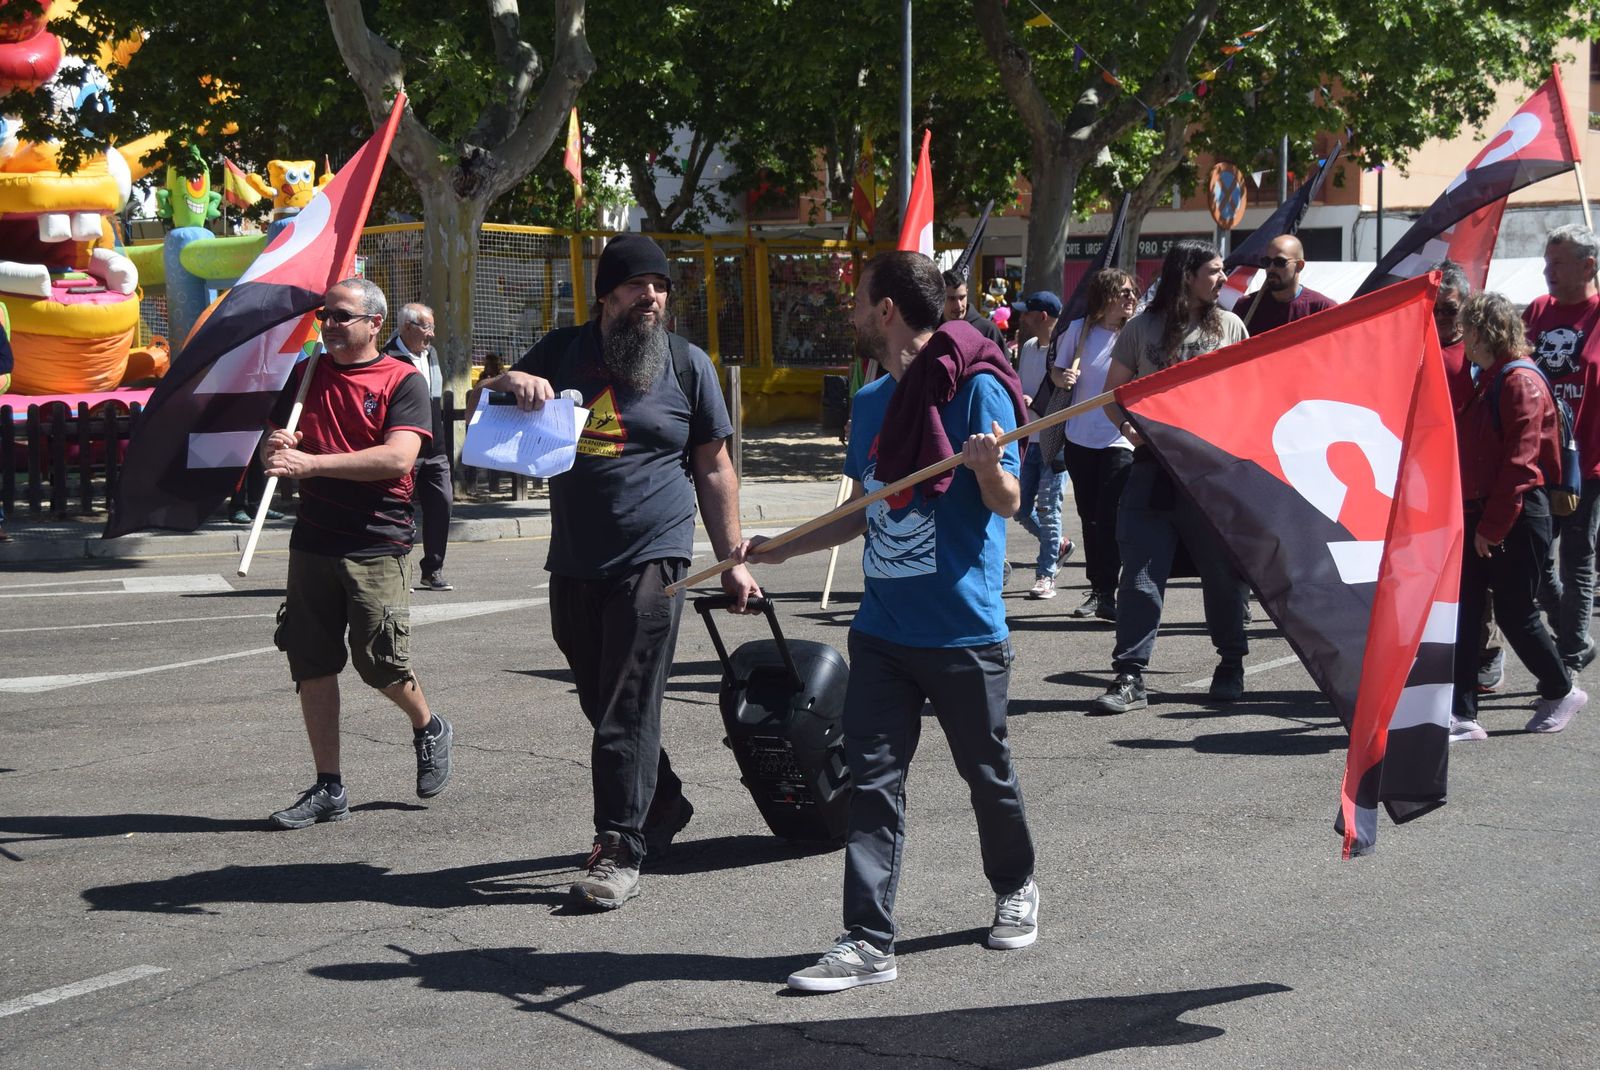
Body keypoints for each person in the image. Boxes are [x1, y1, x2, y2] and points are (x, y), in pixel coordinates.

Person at [738, 250, 1038, 993]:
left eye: (859, 297)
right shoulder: (873, 402)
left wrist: (985, 467)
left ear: (886, 311)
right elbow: (859, 515)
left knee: (986, 773)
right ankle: (868, 941)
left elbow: (1011, 502)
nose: (849, 310)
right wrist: (779, 549)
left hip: (964, 631)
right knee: (872, 785)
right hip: (882, 635)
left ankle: (1016, 885)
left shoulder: (978, 389)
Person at [479, 233, 759, 910]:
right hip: (576, 558)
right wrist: (505, 382)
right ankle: (661, 801)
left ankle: (619, 845)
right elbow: (486, 415)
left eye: (660, 286)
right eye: (636, 286)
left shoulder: (688, 365)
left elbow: (714, 464)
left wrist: (730, 562)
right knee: (600, 696)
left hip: (655, 556)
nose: (651, 297)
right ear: (605, 295)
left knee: (626, 704)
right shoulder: (562, 352)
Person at [260, 277, 453, 830]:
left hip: (375, 540)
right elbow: (280, 436)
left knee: (381, 664)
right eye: (326, 315)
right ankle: (329, 786)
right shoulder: (307, 374)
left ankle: (428, 724)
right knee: (311, 663)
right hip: (313, 539)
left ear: (374, 323)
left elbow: (397, 459)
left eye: (343, 316)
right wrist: (278, 444)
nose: (330, 324)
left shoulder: (402, 380)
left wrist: (313, 465)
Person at [1091, 240, 1251, 714]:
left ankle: (1231, 664)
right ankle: (1129, 676)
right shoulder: (1141, 329)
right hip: (1151, 473)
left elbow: (1250, 395)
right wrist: (1127, 430)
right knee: (1139, 575)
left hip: (1210, 476)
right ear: (1187, 275)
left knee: (1223, 577)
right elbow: (1109, 394)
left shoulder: (1231, 326)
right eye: (1215, 271)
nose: (1223, 280)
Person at [1450, 291, 1587, 740]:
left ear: (1483, 331)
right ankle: (1462, 714)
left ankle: (1560, 689)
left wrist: (1490, 527)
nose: (1461, 336)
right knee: (1469, 612)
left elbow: (1520, 465)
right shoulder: (1497, 377)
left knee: (1515, 612)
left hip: (1514, 514)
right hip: (1492, 511)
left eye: (1467, 327)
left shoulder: (1515, 381)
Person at [1524, 223, 1600, 673]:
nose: (1547, 270)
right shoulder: (1536, 310)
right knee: (1531, 560)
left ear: (1588, 265)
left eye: (1557, 262)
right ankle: (1568, 626)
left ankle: (1569, 655)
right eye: (1546, 260)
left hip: (1587, 463)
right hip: (1536, 461)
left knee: (1578, 560)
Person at [1051, 268, 1139, 621]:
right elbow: (1056, 373)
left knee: (1110, 514)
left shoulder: (1137, 333)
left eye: (1133, 292)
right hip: (1079, 437)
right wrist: (1063, 376)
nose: (1131, 298)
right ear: (1104, 299)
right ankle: (1101, 592)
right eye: (1123, 293)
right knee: (1090, 518)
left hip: (1120, 437)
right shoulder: (1079, 331)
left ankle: (1115, 588)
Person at [383, 303, 455, 592]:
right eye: (426, 327)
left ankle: (432, 570)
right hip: (405, 447)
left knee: (442, 503)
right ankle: (397, 572)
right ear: (406, 327)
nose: (432, 334)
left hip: (435, 447)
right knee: (398, 511)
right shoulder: (387, 357)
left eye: (432, 327)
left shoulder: (431, 354)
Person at [1009, 290, 1073, 598]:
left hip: (1054, 440)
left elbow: (1070, 393)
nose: (1021, 318)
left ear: (1042, 316)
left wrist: (1035, 402)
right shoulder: (1029, 347)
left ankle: (1046, 574)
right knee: (1020, 509)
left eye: (1026, 312)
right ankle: (1058, 544)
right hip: (1028, 440)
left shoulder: (1064, 350)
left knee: (1048, 509)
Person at [1238, 234, 1337, 335]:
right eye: (1267, 261)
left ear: (1299, 265)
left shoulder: (1322, 309)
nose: (1271, 268)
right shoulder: (1246, 307)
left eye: (1279, 262)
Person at [942, 268, 1006, 348]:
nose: (958, 305)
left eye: (962, 297)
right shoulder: (930, 328)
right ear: (940, 297)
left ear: (967, 293)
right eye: (951, 298)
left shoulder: (988, 330)